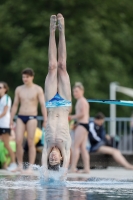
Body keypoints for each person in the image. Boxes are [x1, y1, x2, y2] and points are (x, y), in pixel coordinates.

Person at [41, 13, 71, 172]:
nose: (52, 159)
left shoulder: (47, 146)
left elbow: (43, 166)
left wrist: (45, 173)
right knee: (62, 66)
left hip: (51, 104)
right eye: (56, 161)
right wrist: (62, 176)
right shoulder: (65, 146)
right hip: (65, 103)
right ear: (61, 158)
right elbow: (65, 167)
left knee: (52, 67)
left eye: (50, 161)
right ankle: (62, 30)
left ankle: (52, 31)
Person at [10, 68, 47, 172]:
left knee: (31, 142)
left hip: (32, 117)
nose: (25, 79)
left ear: (32, 77)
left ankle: (30, 166)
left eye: (27, 77)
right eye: (23, 77)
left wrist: (45, 119)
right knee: (18, 141)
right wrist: (11, 119)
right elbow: (15, 105)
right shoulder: (19, 89)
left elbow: (43, 105)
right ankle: (20, 165)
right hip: (21, 116)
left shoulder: (38, 89)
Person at [69, 82, 90, 173]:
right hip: (83, 125)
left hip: (82, 125)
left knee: (75, 146)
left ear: (82, 91)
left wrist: (71, 117)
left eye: (77, 91)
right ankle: (87, 168)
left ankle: (73, 167)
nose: (75, 93)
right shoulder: (81, 101)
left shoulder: (82, 101)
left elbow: (82, 114)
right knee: (82, 148)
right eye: (74, 92)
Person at [0, 82, 17, 171]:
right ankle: (5, 164)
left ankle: (13, 162)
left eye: (0, 87)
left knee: (7, 144)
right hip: (1, 124)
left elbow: (5, 112)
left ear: (5, 89)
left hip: (4, 125)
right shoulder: (1, 98)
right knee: (3, 145)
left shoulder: (6, 98)